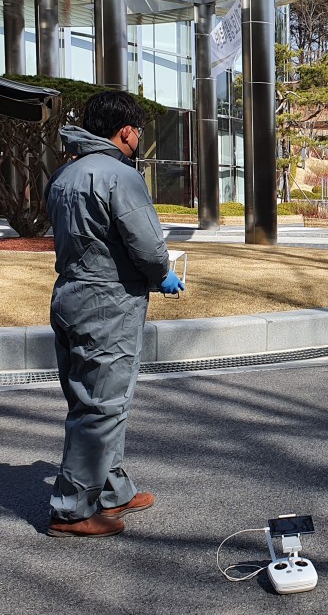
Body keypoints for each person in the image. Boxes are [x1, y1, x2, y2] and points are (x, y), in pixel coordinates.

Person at [46, 90, 184, 538]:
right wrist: (163, 274)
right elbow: (147, 245)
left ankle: (111, 490)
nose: (139, 137)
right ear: (126, 131)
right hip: (108, 302)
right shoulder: (120, 175)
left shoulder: (65, 174)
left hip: (69, 294)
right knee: (102, 405)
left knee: (91, 399)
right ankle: (71, 510)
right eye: (138, 130)